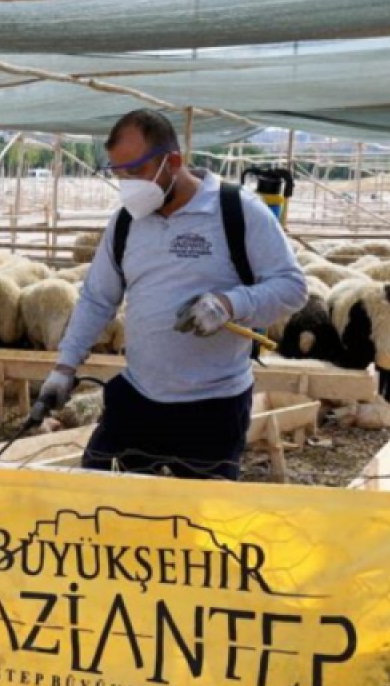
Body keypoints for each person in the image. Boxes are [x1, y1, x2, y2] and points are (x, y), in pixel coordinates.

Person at [41, 109, 307, 480]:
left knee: (199, 512)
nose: (128, 184)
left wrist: (229, 304)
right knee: (101, 498)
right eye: (119, 173)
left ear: (174, 162)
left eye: (136, 170)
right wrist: (64, 367)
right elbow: (98, 298)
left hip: (213, 405)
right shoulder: (126, 222)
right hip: (139, 394)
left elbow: (292, 287)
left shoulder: (238, 211)